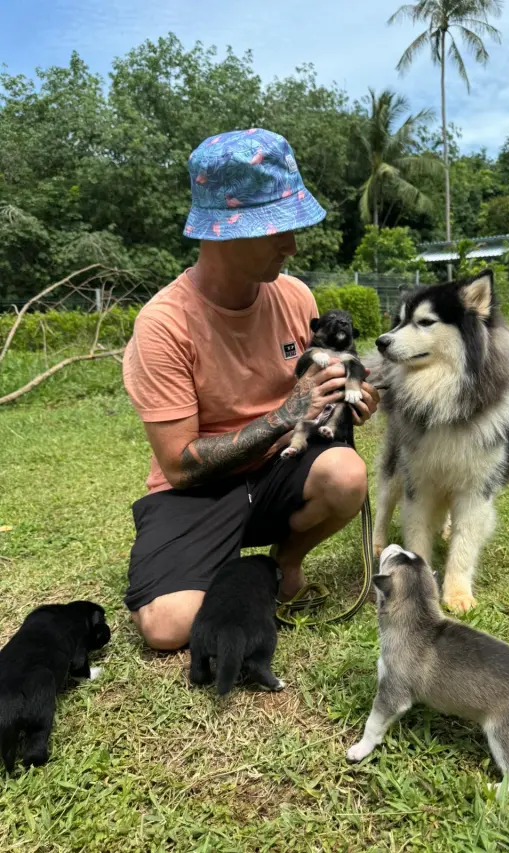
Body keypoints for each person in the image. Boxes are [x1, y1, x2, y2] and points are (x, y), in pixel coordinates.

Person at [122, 128, 379, 650]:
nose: (291, 243)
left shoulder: (294, 295)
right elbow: (179, 464)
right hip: (195, 490)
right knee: (169, 628)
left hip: (277, 469)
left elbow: (310, 395)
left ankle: (283, 563)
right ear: (221, 233)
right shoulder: (164, 324)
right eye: (276, 229)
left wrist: (342, 400)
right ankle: (210, 563)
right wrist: (289, 413)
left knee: (346, 474)